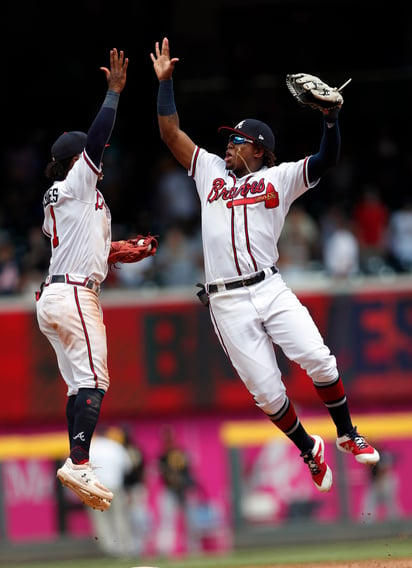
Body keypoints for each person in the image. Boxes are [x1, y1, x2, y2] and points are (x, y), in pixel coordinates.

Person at [150, 37, 379, 493]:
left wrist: (331, 119)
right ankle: (308, 449)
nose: (229, 144)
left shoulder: (279, 177)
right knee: (267, 394)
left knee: (318, 357)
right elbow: (170, 134)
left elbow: (326, 159)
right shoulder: (210, 172)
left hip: (269, 287)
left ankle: (348, 433)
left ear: (257, 149)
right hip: (226, 300)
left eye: (237, 139)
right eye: (229, 139)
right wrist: (165, 84)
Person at [36, 48, 128, 511]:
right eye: (95, 156)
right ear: (76, 161)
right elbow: (95, 142)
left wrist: (115, 252)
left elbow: (73, 244)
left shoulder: (65, 197)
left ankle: (79, 460)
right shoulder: (77, 183)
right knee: (96, 381)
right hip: (73, 294)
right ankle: (78, 462)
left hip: (57, 291)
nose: (103, 158)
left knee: (79, 387)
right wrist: (112, 93)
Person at [88, 426, 136, 558]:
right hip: (115, 486)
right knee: (120, 517)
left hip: (96, 488)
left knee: (102, 520)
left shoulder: (91, 447)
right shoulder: (115, 446)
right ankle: (125, 550)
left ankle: (110, 550)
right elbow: (128, 467)